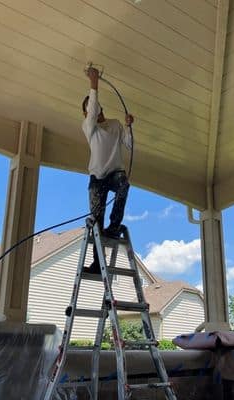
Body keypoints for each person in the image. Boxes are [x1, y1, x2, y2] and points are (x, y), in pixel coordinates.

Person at [82, 66, 133, 273]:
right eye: (90, 109)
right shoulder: (88, 127)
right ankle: (97, 263)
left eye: (96, 108)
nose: (94, 111)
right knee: (96, 221)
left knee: (124, 184)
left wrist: (129, 125)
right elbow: (92, 110)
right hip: (96, 177)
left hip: (114, 174)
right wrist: (93, 83)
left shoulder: (115, 125)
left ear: (102, 109)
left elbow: (128, 144)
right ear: (87, 113)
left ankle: (114, 227)